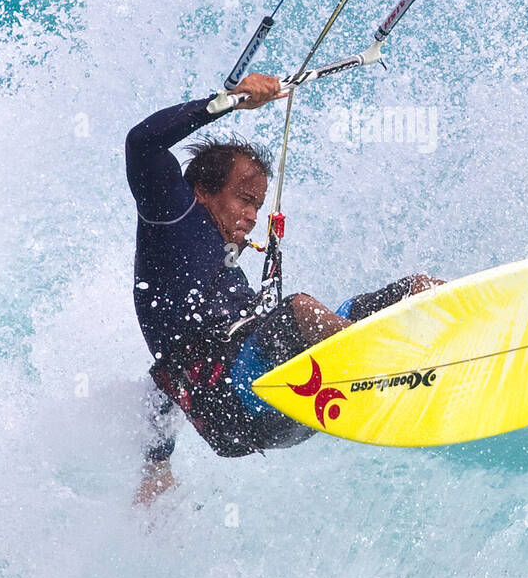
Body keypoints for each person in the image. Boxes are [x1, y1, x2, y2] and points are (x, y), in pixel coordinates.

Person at [125, 73, 441, 504]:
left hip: (290, 405)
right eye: (243, 199)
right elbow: (142, 142)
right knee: (301, 311)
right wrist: (229, 101)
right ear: (201, 192)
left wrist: (156, 466)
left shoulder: (223, 264)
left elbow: (160, 380)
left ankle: (469, 329)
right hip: (235, 404)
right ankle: (385, 371)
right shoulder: (174, 216)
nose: (252, 215)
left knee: (411, 291)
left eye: (257, 204)